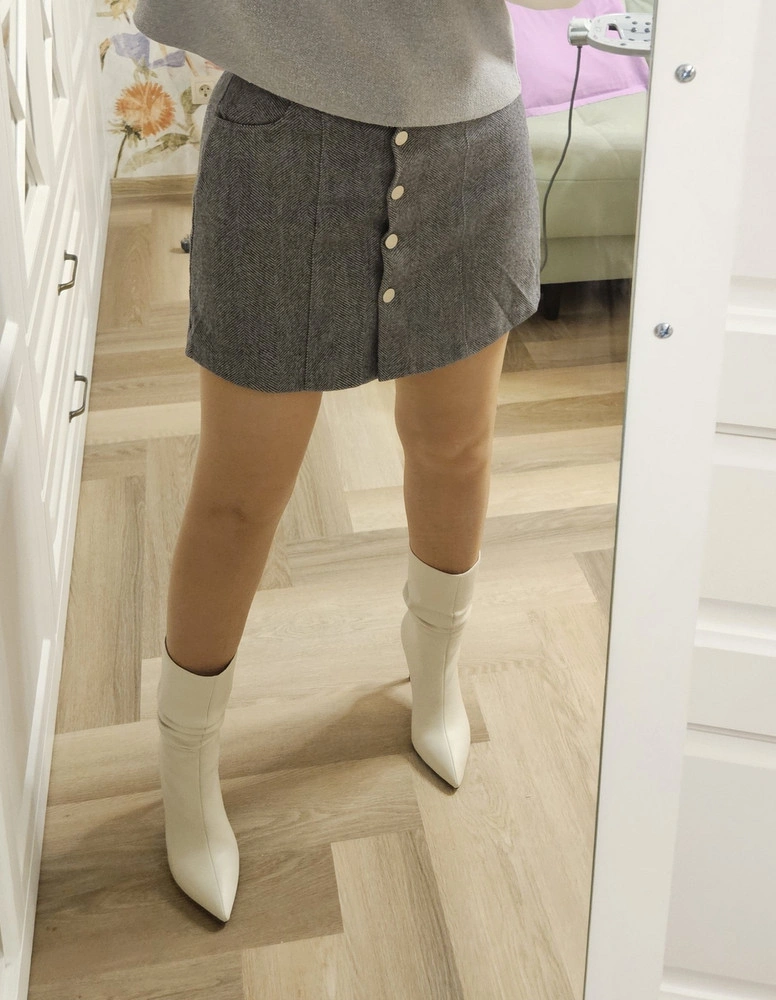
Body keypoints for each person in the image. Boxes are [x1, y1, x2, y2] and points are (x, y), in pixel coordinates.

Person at [134, 0, 581, 923]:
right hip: (283, 141)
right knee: (239, 499)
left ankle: (435, 664)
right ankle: (186, 760)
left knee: (456, 448)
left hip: (470, 135)